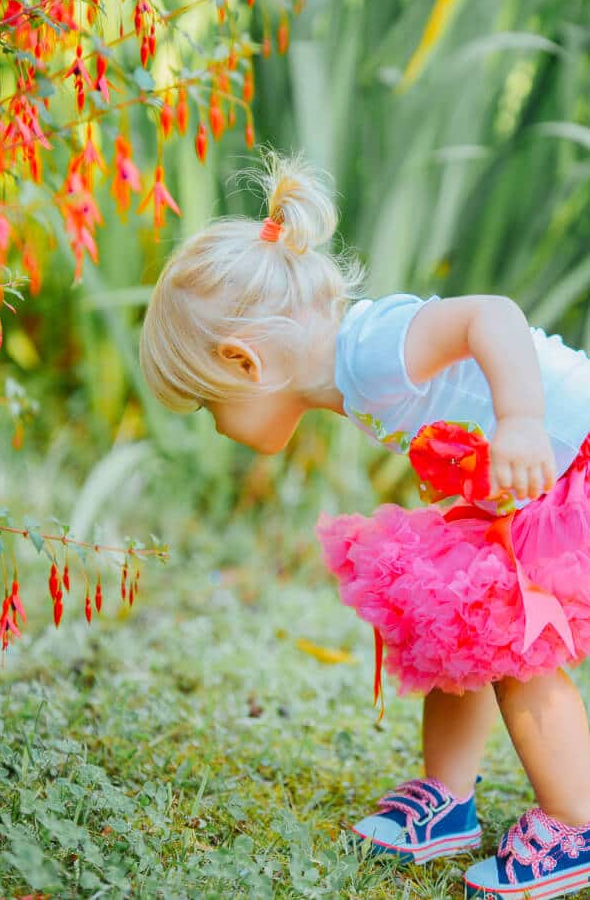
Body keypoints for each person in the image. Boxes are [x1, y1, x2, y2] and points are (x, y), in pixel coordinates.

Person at [138, 149, 590, 898]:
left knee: (518, 648)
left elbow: (492, 315)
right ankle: (447, 799)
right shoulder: (351, 367)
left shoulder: (371, 352)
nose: (217, 427)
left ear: (245, 364)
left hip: (569, 465)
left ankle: (574, 825)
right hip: (525, 483)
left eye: (208, 406)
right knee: (459, 626)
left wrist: (519, 421)